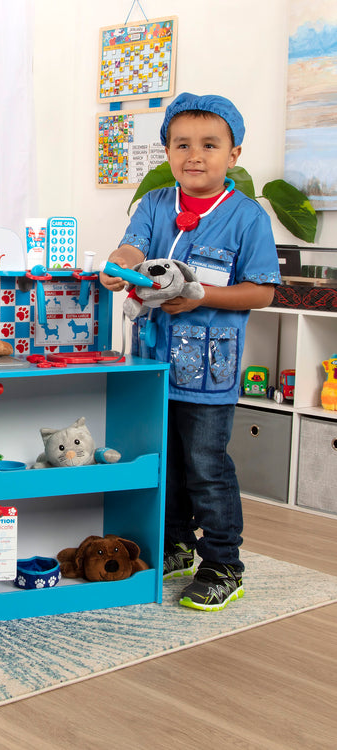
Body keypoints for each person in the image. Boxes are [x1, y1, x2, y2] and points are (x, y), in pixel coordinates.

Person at [100, 92, 281, 611]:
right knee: (165, 459)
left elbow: (262, 291)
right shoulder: (156, 205)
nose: (194, 155)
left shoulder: (247, 218)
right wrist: (119, 262)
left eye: (209, 144)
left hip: (208, 374)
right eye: (182, 144)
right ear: (167, 152)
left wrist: (200, 295)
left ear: (234, 154)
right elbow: (133, 246)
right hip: (151, 365)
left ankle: (224, 563)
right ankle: (176, 543)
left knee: (206, 465)